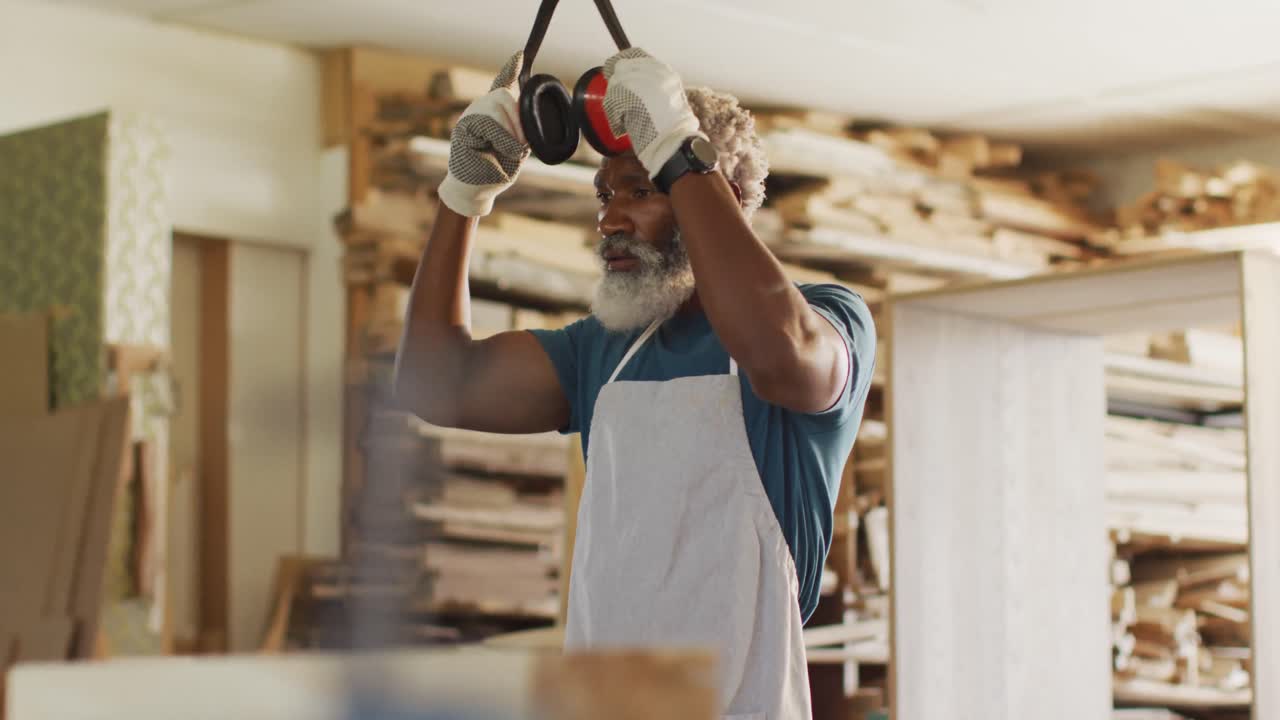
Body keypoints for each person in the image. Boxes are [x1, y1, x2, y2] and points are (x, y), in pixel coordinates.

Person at [395, 47, 876, 719]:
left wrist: (679, 149)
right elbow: (432, 382)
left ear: (722, 196)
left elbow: (781, 353)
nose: (610, 220)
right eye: (604, 195)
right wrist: (462, 194)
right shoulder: (603, 351)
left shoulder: (826, 318)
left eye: (641, 190)